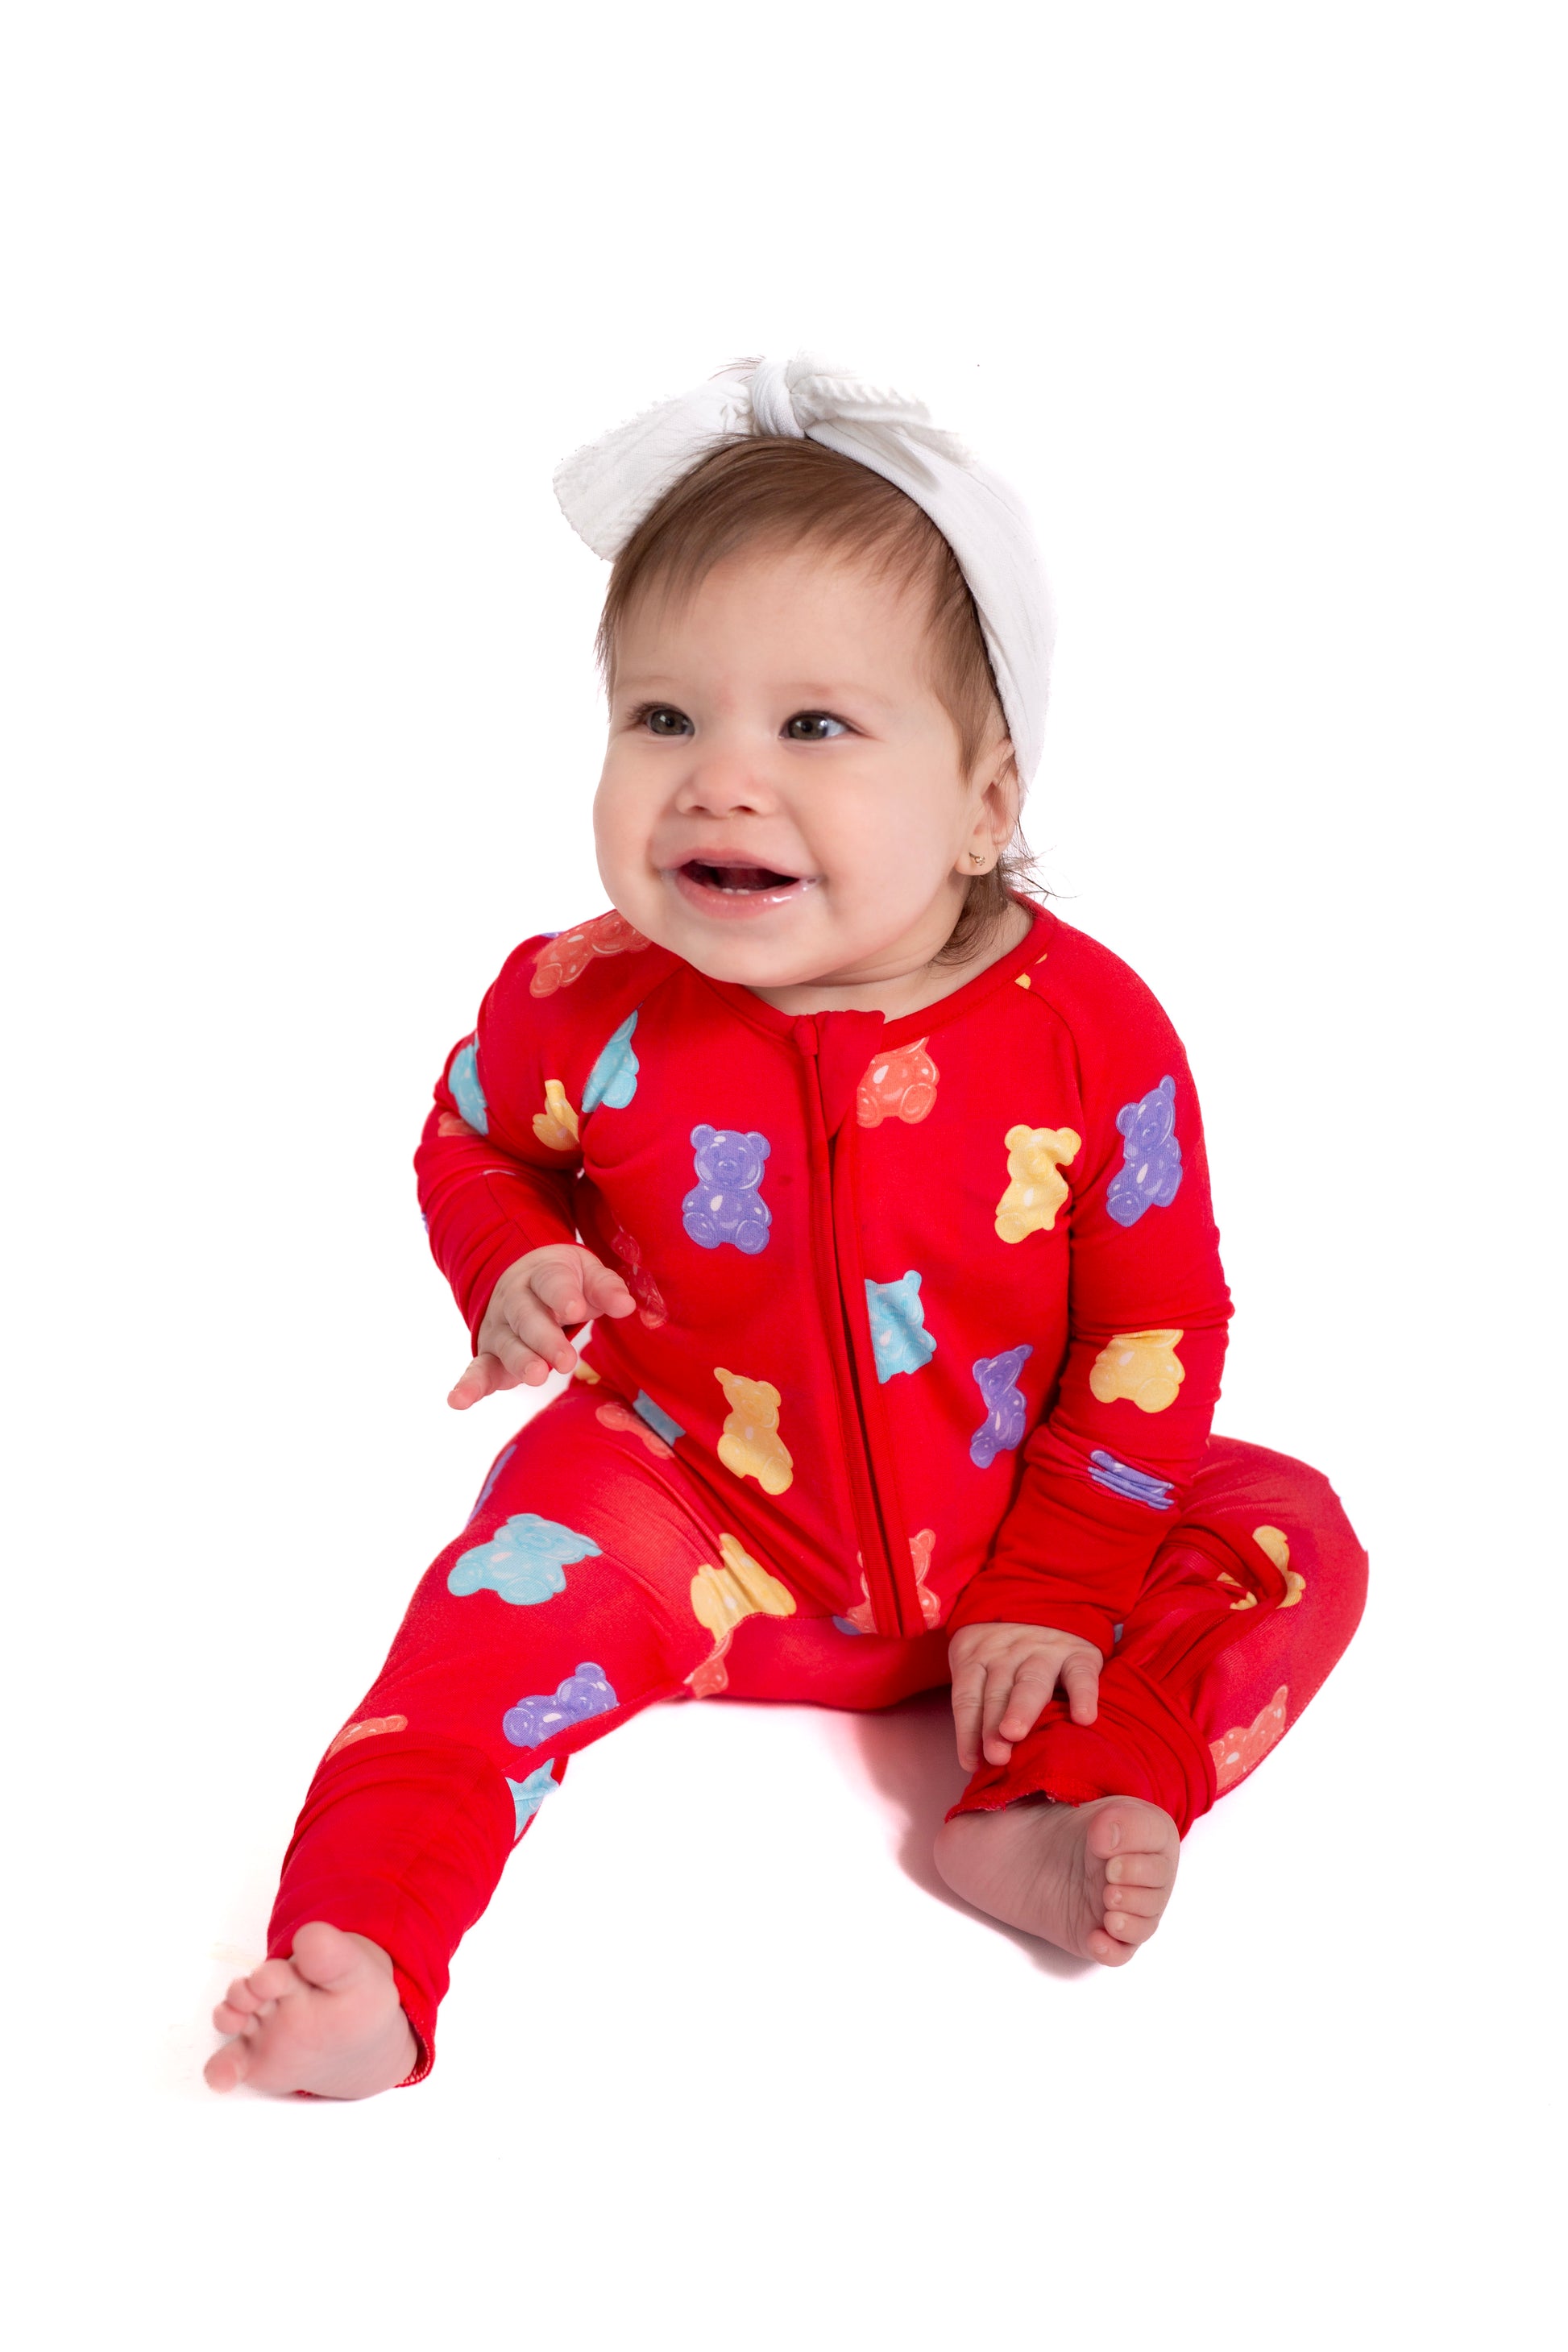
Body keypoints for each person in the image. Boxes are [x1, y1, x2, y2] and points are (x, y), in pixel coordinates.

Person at [205, 354, 1367, 2098]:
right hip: (687, 1503)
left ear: (987, 803)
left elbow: (1153, 1326)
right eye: (663, 718)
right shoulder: (576, 1000)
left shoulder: (1084, 1030)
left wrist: (1052, 1584)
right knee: (465, 1649)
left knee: (1288, 1530)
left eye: (812, 725)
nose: (719, 781)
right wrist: (508, 1254)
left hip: (1010, 1527)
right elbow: (469, 1140)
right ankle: (367, 1951)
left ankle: (1047, 1792)